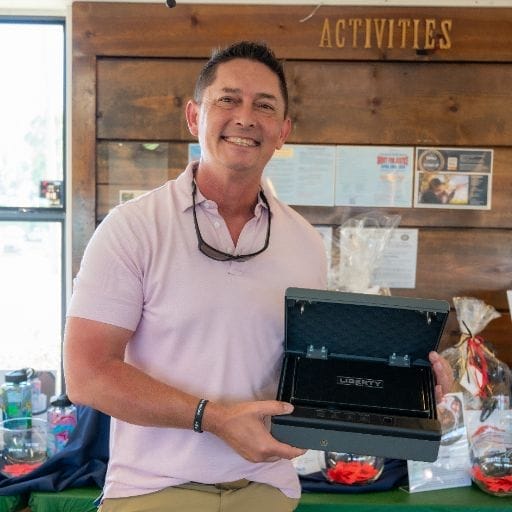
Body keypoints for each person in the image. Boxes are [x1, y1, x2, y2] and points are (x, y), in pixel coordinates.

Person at [64, 41, 454, 512]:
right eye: (228, 99)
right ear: (194, 116)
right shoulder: (132, 228)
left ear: (283, 131)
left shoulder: (305, 243)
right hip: (154, 488)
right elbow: (86, 375)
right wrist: (213, 418)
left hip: (267, 488)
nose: (245, 118)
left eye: (264, 106)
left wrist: (404, 389)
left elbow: (311, 371)